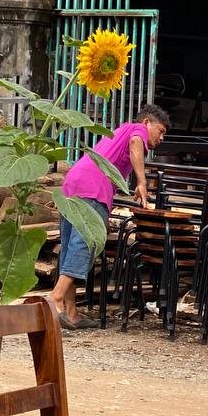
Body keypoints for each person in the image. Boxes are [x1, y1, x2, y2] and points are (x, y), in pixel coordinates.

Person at [50, 104, 169, 329]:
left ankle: (71, 313)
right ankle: (55, 298)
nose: (161, 137)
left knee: (68, 248)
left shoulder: (121, 130)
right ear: (147, 123)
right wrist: (142, 182)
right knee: (84, 244)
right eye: (161, 131)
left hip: (72, 183)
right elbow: (136, 143)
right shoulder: (137, 130)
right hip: (92, 188)